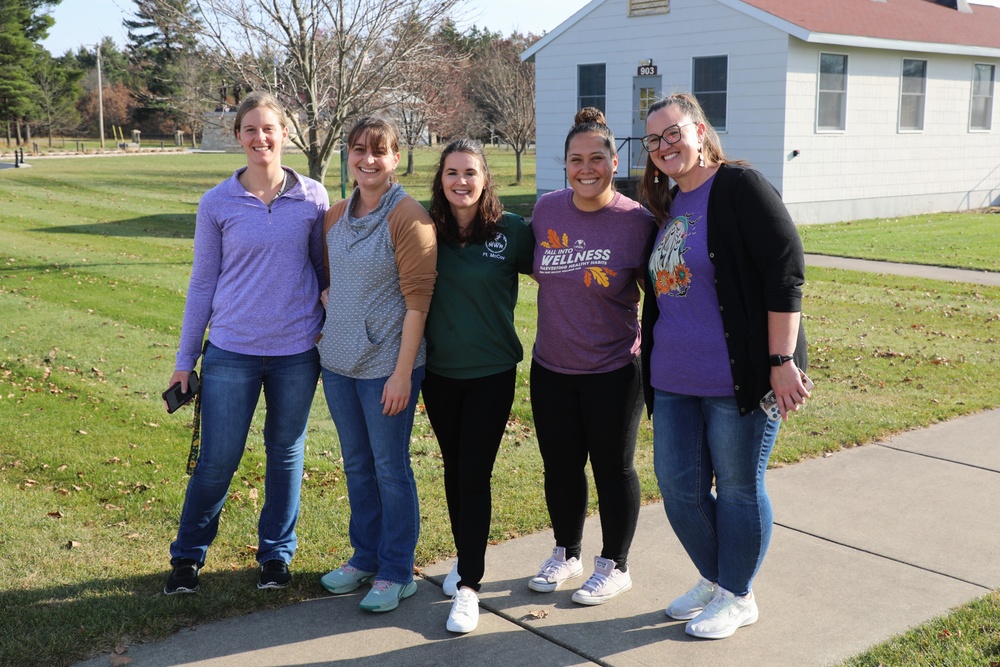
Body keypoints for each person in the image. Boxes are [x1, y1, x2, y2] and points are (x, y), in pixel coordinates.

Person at [638, 92, 810, 639]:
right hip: (672, 380)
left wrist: (781, 359)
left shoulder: (740, 187)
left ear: (700, 130)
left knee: (737, 487)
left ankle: (737, 595)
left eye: (673, 133)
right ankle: (719, 579)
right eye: (653, 140)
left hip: (739, 379)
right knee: (678, 488)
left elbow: (786, 273)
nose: (665, 146)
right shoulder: (669, 203)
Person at [163, 91, 329, 594]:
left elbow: (325, 274)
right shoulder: (217, 202)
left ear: (286, 133)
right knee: (218, 458)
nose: (261, 138)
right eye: (251, 129)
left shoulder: (314, 197)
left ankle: (276, 556)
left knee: (285, 453)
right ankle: (188, 557)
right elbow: (202, 284)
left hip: (296, 353)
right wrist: (184, 359)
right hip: (232, 350)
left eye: (269, 128)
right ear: (238, 136)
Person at [527, 108, 656, 605]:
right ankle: (567, 553)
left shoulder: (637, 222)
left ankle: (615, 565)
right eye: (576, 159)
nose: (587, 168)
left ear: (615, 161)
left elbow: (664, 294)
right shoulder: (546, 212)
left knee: (613, 468)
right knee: (560, 467)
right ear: (564, 165)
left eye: (597, 158)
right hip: (552, 368)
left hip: (614, 370)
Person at [316, 116, 437, 613]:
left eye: (379, 151)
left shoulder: (410, 217)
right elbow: (334, 279)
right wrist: (333, 303)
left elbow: (418, 303)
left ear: (395, 158)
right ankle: (364, 557)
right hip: (338, 364)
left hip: (387, 368)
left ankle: (396, 570)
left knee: (390, 468)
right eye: (358, 149)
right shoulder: (336, 214)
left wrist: (403, 373)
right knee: (357, 466)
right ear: (348, 154)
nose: (368, 159)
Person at [422, 139, 535, 633]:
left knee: (474, 472)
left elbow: (561, 275)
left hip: (491, 372)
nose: (461, 181)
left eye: (470, 172)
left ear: (485, 178)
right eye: (452, 173)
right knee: (453, 470)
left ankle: (470, 586)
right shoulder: (425, 229)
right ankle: (466, 558)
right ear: (440, 179)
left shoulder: (511, 232)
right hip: (438, 373)